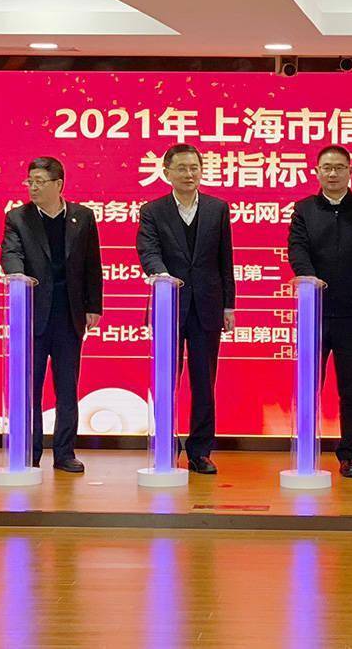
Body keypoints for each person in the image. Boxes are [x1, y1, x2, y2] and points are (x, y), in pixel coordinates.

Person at [288, 145, 352, 478]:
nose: (332, 174)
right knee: (308, 386)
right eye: (326, 168)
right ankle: (306, 450)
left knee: (351, 388)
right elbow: (297, 249)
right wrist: (308, 276)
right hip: (314, 313)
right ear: (317, 172)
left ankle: (349, 455)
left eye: (339, 167)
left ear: (350, 172)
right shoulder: (304, 209)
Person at [136, 143, 236, 474]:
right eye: (181, 168)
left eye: (194, 167)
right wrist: (161, 275)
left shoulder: (217, 208)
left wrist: (229, 305)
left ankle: (200, 451)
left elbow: (225, 260)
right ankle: (166, 446)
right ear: (167, 172)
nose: (189, 174)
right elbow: (148, 250)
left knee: (204, 382)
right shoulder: (153, 210)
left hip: (208, 305)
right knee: (166, 380)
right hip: (170, 306)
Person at [0, 157, 103, 473]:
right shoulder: (18, 217)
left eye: (40, 181)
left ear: (58, 184)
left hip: (69, 314)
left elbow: (92, 264)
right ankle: (28, 453)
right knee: (29, 387)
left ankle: (65, 453)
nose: (33, 187)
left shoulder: (82, 217)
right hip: (32, 313)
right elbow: (10, 253)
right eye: (29, 181)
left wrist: (94, 306)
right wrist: (17, 275)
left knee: (67, 387)